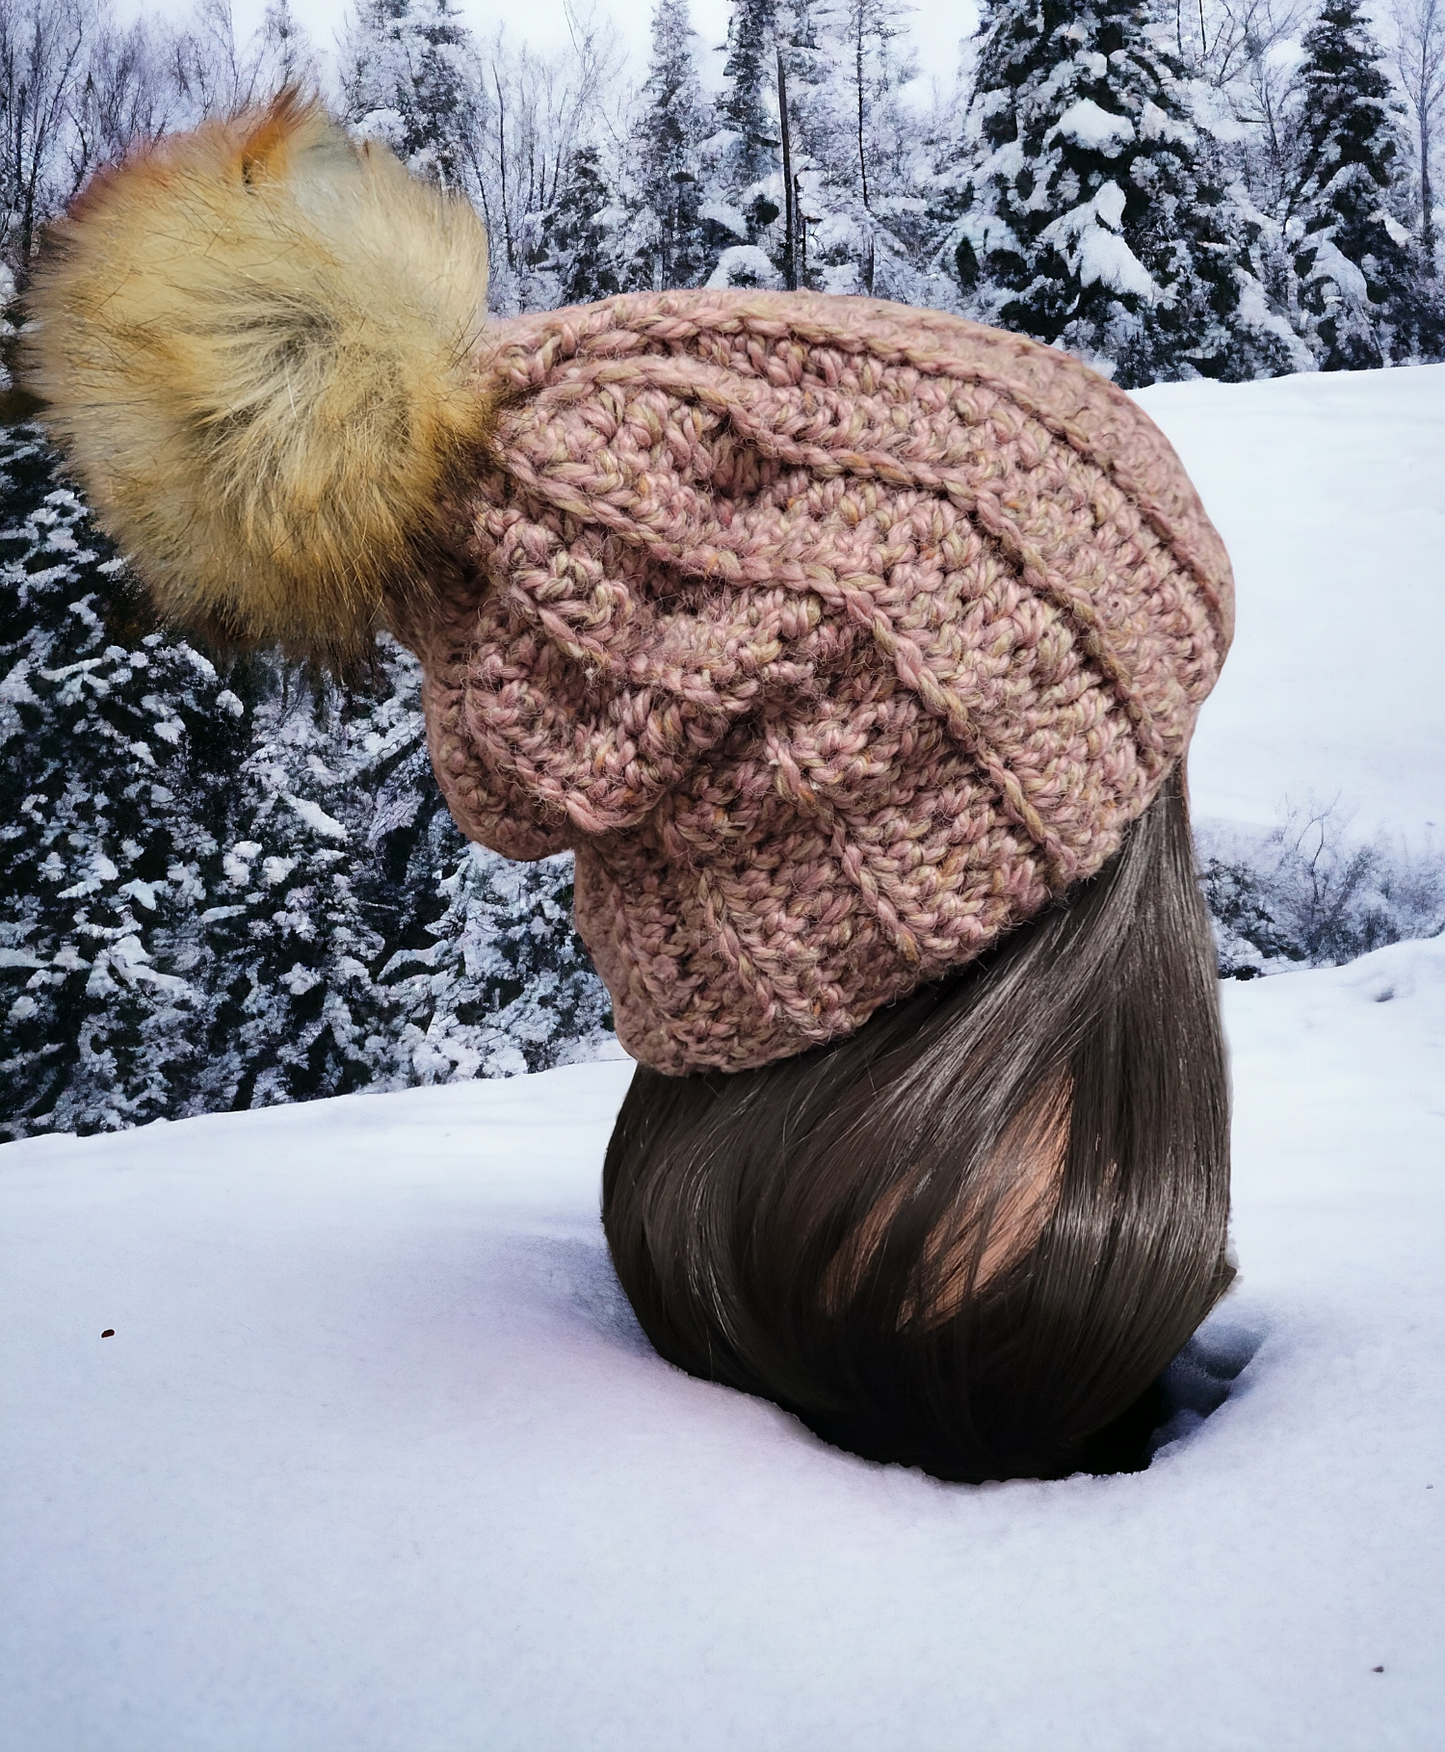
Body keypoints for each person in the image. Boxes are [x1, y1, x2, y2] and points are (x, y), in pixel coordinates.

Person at [27, 96, 1234, 1482]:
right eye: (1141, 766)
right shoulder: (992, 1274)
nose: (1169, 831)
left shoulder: (964, 1210)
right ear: (919, 917)